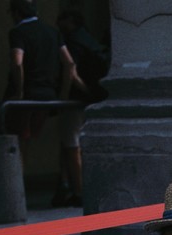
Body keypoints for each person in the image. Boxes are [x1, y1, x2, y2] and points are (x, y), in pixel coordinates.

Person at [4, 0, 81, 165]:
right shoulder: (53, 32)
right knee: (28, 138)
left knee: (17, 142)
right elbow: (69, 63)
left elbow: (17, 62)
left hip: (27, 96)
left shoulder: (17, 32)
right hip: (47, 96)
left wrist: (19, 92)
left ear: (16, 13)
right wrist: (63, 96)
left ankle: (17, 186)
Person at [50, 9, 108, 209]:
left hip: (76, 100)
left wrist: (64, 96)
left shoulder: (71, 41)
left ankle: (79, 191)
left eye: (61, 18)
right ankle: (73, 187)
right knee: (77, 145)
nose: (57, 23)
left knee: (71, 146)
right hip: (90, 100)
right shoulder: (88, 39)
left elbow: (71, 69)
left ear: (70, 20)